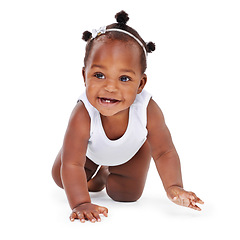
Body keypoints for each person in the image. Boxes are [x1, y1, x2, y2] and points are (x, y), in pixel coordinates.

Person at [52, 10, 204, 223]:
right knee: (62, 177)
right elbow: (72, 164)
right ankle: (95, 171)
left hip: (131, 154)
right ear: (84, 76)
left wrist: (174, 187)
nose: (110, 87)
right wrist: (80, 203)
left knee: (126, 196)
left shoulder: (147, 109)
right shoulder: (83, 113)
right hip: (85, 153)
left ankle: (105, 174)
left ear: (140, 84)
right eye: (99, 75)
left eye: (124, 78)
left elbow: (164, 151)